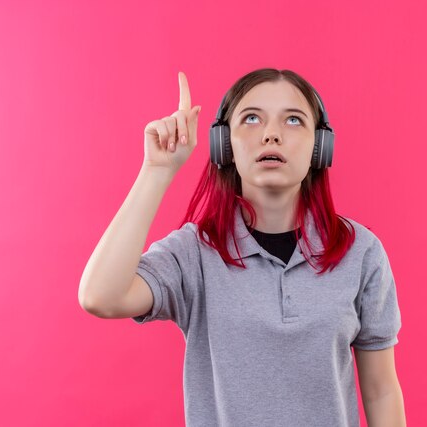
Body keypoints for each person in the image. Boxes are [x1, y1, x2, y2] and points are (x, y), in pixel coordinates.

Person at [79, 68, 406, 427]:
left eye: (293, 120)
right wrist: (157, 170)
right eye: (251, 118)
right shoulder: (194, 253)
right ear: (224, 144)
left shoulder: (361, 252)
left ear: (319, 147)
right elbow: (101, 297)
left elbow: (381, 390)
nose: (271, 135)